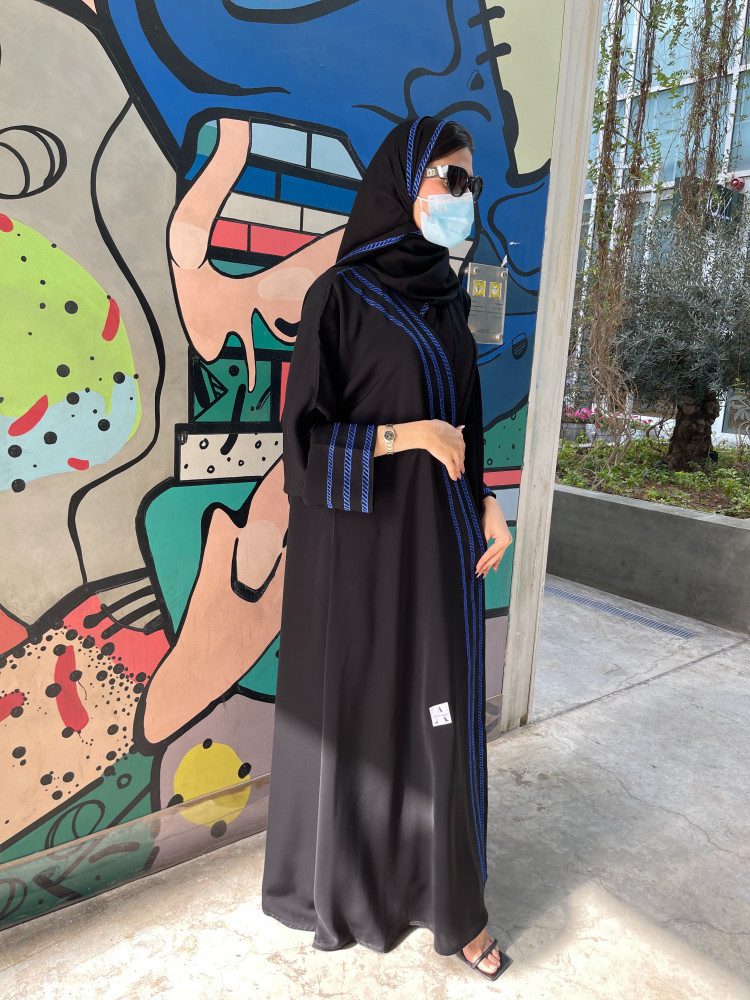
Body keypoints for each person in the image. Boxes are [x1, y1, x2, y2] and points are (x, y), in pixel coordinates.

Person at [260, 116, 514, 982]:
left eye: (471, 182)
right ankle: (356, 888)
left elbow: (467, 426)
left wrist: (489, 504)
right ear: (404, 182)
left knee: (440, 715)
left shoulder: (450, 300)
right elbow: (302, 447)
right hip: (361, 555)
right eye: (451, 177)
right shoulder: (339, 298)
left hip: (439, 547)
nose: (463, 196)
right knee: (366, 715)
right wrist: (407, 436)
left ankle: (456, 908)